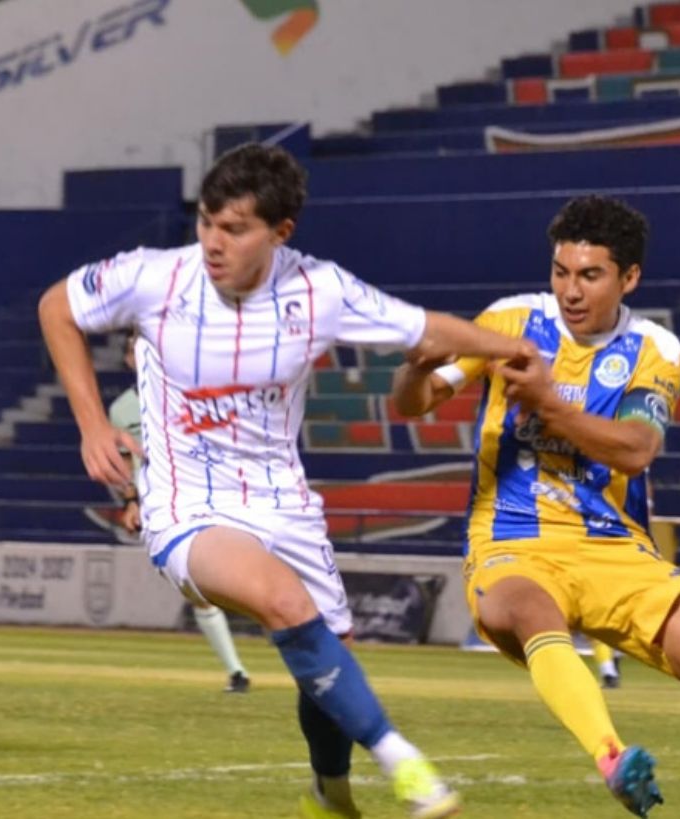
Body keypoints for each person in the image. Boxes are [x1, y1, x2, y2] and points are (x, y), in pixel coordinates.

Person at [39, 143, 535, 819]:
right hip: (188, 503)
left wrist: (513, 347)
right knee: (283, 602)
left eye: (234, 228)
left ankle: (331, 794)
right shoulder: (155, 276)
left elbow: (422, 330)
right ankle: (408, 766)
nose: (213, 242)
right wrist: (93, 424)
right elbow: (57, 307)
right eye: (206, 222)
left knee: (330, 655)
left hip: (284, 502)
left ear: (280, 232)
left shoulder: (320, 291)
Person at [392, 195, 680, 818]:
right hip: (513, 537)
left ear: (629, 277)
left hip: (613, 547)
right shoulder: (509, 322)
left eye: (590, 275)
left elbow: (636, 449)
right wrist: (414, 369)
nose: (571, 290)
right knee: (531, 610)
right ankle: (612, 757)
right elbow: (414, 402)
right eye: (561, 272)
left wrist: (550, 403)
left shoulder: (655, 349)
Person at [108, 333, 251, 693]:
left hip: (203, 494)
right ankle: (237, 671)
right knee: (194, 587)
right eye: (134, 350)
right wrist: (130, 501)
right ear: (128, 360)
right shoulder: (121, 410)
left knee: (229, 576)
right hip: (160, 505)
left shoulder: (186, 395)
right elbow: (125, 463)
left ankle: (283, 631)